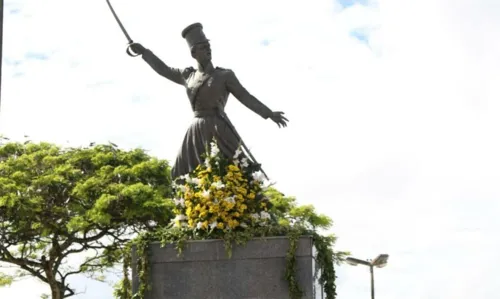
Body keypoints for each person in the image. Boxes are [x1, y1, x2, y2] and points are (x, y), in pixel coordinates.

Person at [129, 23, 289, 179]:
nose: (208, 49)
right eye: (203, 47)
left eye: (208, 46)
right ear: (194, 53)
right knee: (180, 171)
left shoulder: (225, 75)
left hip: (218, 126)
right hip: (196, 129)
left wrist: (268, 113)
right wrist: (144, 52)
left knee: (237, 166)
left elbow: (245, 97)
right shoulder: (187, 76)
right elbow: (163, 69)